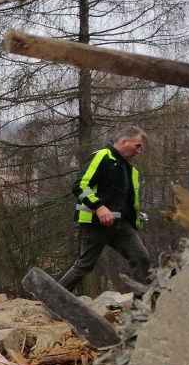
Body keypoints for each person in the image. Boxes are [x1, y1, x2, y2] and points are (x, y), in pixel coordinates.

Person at [57, 125, 151, 293]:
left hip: (121, 226)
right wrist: (99, 207)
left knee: (141, 258)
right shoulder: (102, 157)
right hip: (95, 223)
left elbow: (126, 200)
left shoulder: (130, 170)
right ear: (124, 141)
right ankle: (51, 295)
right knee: (85, 265)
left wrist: (136, 217)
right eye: (137, 145)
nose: (139, 151)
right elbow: (80, 185)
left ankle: (142, 305)